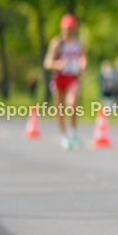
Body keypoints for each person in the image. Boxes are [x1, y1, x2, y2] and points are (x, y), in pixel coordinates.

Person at [43, 14, 87, 149]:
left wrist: (82, 66)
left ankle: (72, 133)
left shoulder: (79, 43)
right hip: (59, 79)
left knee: (72, 105)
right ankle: (64, 135)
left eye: (71, 27)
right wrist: (58, 64)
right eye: (67, 28)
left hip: (72, 77)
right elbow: (47, 62)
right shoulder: (57, 43)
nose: (69, 30)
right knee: (60, 108)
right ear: (62, 28)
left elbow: (83, 58)